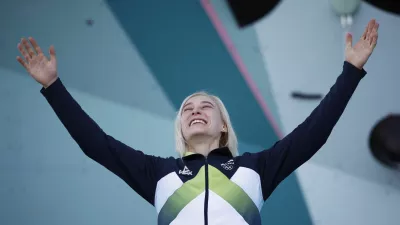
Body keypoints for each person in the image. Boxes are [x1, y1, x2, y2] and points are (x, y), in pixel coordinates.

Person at [16, 19, 379, 225]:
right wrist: (53, 86)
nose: (194, 110)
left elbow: (313, 133)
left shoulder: (257, 168)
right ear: (181, 128)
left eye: (205, 106)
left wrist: (350, 72)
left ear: (223, 125)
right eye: (187, 109)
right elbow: (96, 144)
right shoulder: (156, 174)